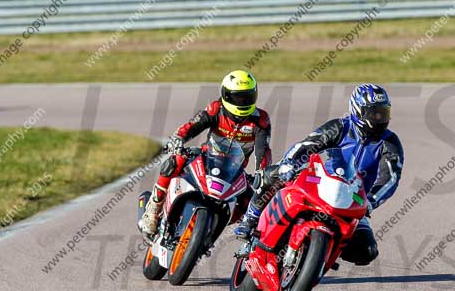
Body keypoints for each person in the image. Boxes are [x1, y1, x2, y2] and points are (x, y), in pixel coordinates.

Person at [234, 83, 404, 266]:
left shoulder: (390, 142)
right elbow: (307, 145)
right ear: (358, 110)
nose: (380, 118)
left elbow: (390, 178)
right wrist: (289, 164)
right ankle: (250, 219)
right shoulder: (340, 127)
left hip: (354, 199)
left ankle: (323, 252)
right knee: (273, 175)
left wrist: (371, 201)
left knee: (366, 252)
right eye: (374, 113)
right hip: (322, 181)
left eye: (383, 113)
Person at [139, 70, 272, 235]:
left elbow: (263, 151)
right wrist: (178, 138)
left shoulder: (261, 121)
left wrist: (262, 172)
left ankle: (236, 238)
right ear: (226, 95)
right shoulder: (216, 109)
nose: (242, 102)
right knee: (175, 161)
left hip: (235, 171)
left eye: (247, 97)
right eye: (238, 97)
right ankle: (153, 207)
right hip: (206, 158)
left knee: (257, 201)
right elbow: (192, 126)